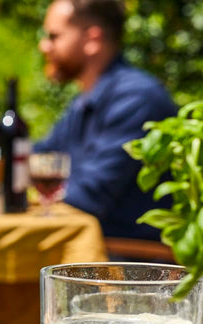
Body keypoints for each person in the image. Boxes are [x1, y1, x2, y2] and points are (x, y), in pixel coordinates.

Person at [35, 0, 177, 241]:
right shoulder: (87, 99)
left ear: (92, 39)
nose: (44, 46)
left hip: (127, 263)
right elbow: (42, 157)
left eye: (54, 36)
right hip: (85, 247)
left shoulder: (136, 98)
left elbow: (89, 196)